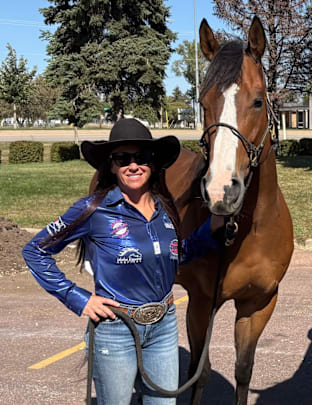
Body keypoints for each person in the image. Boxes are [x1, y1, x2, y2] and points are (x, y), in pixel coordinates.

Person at [23, 118, 222, 404]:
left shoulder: (165, 209)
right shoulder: (93, 210)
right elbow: (35, 250)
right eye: (122, 158)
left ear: (153, 163)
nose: (133, 165)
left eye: (141, 157)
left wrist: (212, 229)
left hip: (164, 325)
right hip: (115, 328)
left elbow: (176, 255)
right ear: (112, 165)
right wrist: (78, 298)